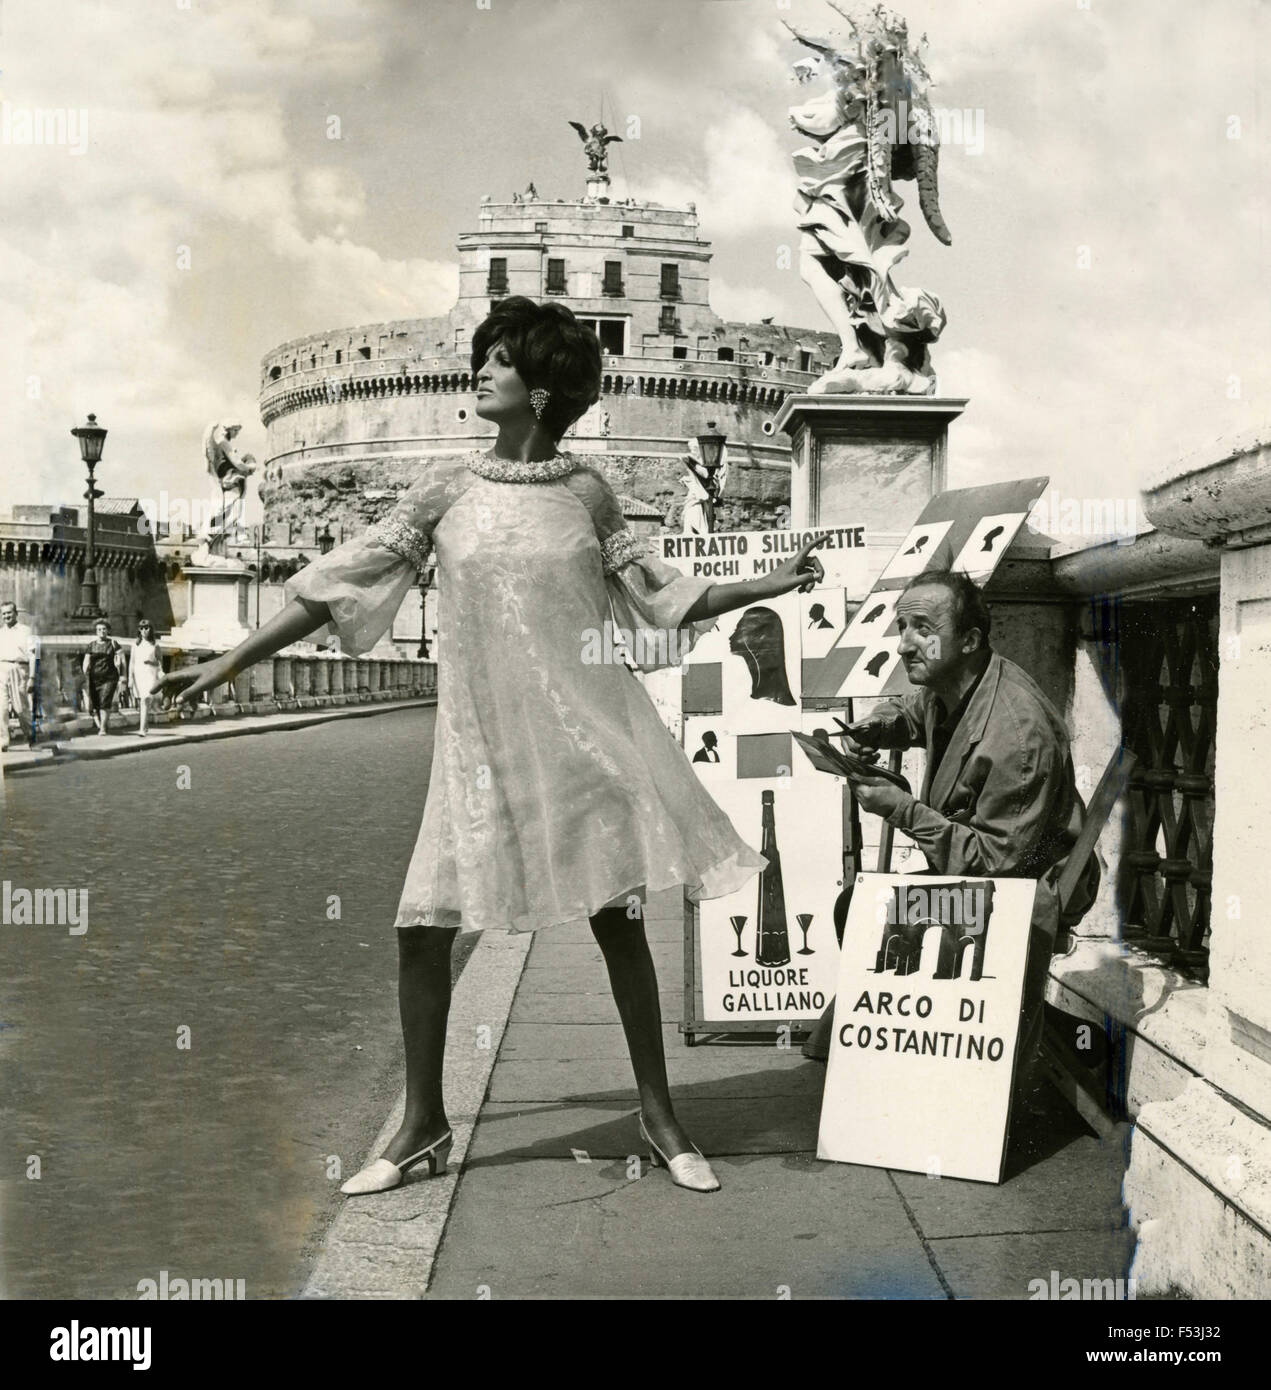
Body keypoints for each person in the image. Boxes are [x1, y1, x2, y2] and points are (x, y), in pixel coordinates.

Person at [154, 297, 832, 1196]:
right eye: (484, 355)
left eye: (500, 359)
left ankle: (661, 1118)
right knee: (420, 930)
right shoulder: (444, 488)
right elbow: (335, 585)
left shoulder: (588, 494)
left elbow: (663, 596)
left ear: (544, 390)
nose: (479, 370)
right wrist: (229, 663)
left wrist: (769, 583)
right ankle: (422, 1125)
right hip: (476, 753)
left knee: (618, 927)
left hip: (586, 742)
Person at [801, 570, 1100, 1109]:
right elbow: (913, 710)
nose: (904, 642)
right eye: (902, 625)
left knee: (868, 913)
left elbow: (997, 866)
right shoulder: (957, 681)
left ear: (969, 639)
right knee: (859, 907)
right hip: (987, 870)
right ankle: (901, 1058)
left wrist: (903, 811)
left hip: (1026, 890)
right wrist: (876, 727)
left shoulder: (1017, 735)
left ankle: (928, 1067)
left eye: (922, 627)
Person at [0, 600, 38, 750]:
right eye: (3, 614)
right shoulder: (0, 632)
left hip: (20, 668)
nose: (6, 616)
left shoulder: (27, 631)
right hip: (2, 668)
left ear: (16, 613)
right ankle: (3, 740)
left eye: (9, 613)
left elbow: (34, 655)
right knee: (1, 708)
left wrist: (32, 678)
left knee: (20, 709)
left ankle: (30, 735)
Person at [82, 619, 125, 736]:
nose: (102, 631)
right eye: (99, 629)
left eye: (104, 629)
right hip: (94, 678)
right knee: (94, 704)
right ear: (96, 631)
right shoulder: (91, 645)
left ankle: (102, 729)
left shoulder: (113, 643)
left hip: (109, 677)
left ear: (108, 630)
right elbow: (86, 662)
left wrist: (123, 676)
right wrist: (85, 676)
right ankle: (102, 724)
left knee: (104, 701)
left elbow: (122, 660)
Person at [128, 620, 162, 736]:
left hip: (150, 674)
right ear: (139, 630)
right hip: (138, 674)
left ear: (151, 629)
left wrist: (151, 662)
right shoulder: (135, 644)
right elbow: (131, 663)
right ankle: (145, 725)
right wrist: (130, 679)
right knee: (142, 701)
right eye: (141, 628)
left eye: (146, 628)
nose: (144, 630)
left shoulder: (155, 645)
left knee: (145, 699)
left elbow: (160, 663)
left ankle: (141, 729)